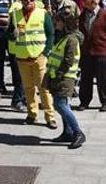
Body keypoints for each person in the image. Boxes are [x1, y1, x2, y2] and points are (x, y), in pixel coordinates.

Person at [7, 0, 56, 128]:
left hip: (39, 56)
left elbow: (51, 33)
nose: (29, 2)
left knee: (44, 88)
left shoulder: (42, 13)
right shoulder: (15, 15)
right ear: (20, 1)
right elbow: (8, 35)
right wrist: (12, 34)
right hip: (22, 57)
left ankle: (50, 116)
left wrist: (46, 52)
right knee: (28, 88)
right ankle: (32, 113)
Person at [45, 8, 85, 149]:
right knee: (62, 105)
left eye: (58, 21)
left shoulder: (71, 40)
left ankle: (77, 132)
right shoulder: (63, 37)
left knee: (60, 105)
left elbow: (68, 60)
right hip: (57, 76)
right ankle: (67, 132)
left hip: (65, 78)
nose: (55, 23)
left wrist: (59, 74)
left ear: (65, 23)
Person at [75, 0, 106, 112]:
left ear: (94, 2)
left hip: (101, 53)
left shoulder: (105, 16)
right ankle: (84, 101)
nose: (83, 1)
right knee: (85, 79)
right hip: (87, 53)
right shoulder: (84, 14)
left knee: (103, 79)